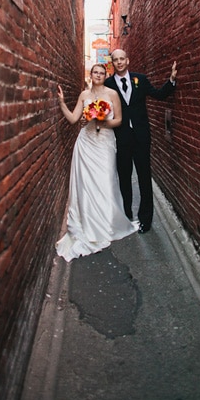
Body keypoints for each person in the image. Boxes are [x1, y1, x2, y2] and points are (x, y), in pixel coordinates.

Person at [55, 64, 138, 261]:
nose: (98, 75)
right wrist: (61, 103)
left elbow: (118, 120)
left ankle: (107, 222)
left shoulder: (113, 94)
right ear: (91, 75)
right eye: (95, 72)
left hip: (105, 143)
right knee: (87, 184)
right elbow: (74, 119)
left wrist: (102, 121)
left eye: (102, 73)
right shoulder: (84, 95)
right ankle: (88, 223)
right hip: (86, 142)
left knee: (106, 181)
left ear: (105, 75)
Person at [105, 49, 177, 233]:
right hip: (121, 137)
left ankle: (146, 219)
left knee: (144, 177)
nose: (119, 62)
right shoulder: (108, 84)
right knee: (124, 177)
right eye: (116, 60)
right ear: (112, 63)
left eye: (122, 59)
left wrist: (171, 80)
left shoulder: (141, 79)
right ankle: (126, 214)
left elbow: (159, 95)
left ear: (127, 60)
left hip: (141, 137)